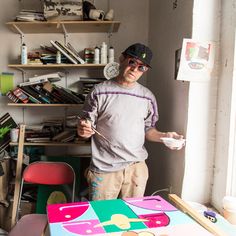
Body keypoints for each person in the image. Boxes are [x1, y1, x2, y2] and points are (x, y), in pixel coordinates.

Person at [77, 43, 184, 201]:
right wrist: (82, 130)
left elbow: (149, 131)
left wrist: (165, 136)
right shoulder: (99, 91)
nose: (135, 69)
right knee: (102, 217)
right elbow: (86, 127)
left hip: (136, 169)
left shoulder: (147, 97)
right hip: (105, 169)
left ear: (145, 70)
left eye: (142, 67)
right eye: (132, 62)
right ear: (122, 59)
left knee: (132, 216)